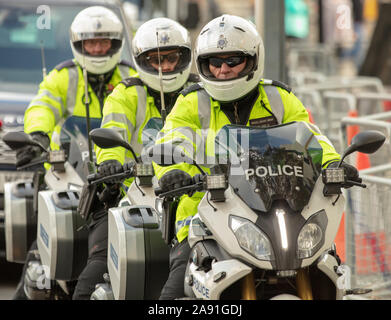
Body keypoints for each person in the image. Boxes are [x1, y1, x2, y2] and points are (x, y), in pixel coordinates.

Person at [152, 14, 361, 300]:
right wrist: (172, 172)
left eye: (233, 60)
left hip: (283, 210)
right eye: (214, 62)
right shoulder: (191, 102)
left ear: (253, 60)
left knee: (328, 267)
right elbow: (170, 139)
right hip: (205, 216)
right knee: (177, 287)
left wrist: (334, 164)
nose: (223, 70)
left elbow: (313, 137)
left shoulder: (279, 98)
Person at [12, 5, 136, 300]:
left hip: (115, 174)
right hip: (68, 169)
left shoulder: (130, 77)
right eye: (90, 42)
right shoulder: (64, 76)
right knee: (42, 247)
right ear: (79, 45)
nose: (96, 48)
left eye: (103, 42)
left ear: (115, 44)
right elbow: (43, 104)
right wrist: (38, 134)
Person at [72, 17, 199, 300]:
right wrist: (111, 162)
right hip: (131, 191)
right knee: (94, 274)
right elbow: (113, 131)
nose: (163, 67)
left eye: (170, 58)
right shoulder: (127, 93)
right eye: (154, 60)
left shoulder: (201, 92)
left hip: (188, 193)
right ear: (140, 60)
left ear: (185, 57)